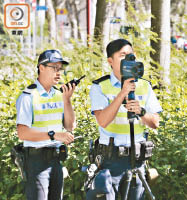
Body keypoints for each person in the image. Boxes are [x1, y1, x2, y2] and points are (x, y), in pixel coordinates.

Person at [87, 39, 162, 199]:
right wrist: (122, 93)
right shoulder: (100, 86)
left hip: (137, 159)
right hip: (110, 160)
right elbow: (103, 121)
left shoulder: (144, 85)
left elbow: (155, 123)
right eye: (123, 55)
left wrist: (141, 112)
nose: (129, 59)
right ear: (110, 61)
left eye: (131, 55)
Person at [16, 49, 76, 200]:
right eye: (54, 68)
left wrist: (67, 100)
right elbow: (22, 133)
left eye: (60, 68)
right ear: (41, 67)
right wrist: (53, 135)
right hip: (36, 162)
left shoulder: (59, 95)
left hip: (56, 161)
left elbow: (70, 127)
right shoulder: (28, 96)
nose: (58, 73)